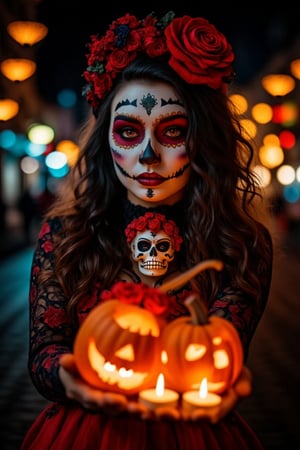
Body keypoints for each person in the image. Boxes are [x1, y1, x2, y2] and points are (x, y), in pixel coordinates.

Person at [21, 10, 273, 450]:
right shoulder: (63, 234)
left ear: (203, 138)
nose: (149, 155)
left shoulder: (241, 244)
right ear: (106, 140)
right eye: (129, 131)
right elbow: (43, 351)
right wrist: (72, 376)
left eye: (173, 130)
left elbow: (220, 353)